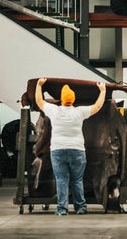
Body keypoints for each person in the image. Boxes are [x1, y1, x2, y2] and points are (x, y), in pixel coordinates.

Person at [35, 77, 106, 216]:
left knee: (61, 180)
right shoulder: (79, 112)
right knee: (77, 180)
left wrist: (39, 85)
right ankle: (80, 208)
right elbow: (97, 106)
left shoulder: (54, 111)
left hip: (58, 150)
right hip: (77, 150)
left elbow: (39, 101)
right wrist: (102, 91)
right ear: (72, 100)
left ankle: (62, 209)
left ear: (61, 99)